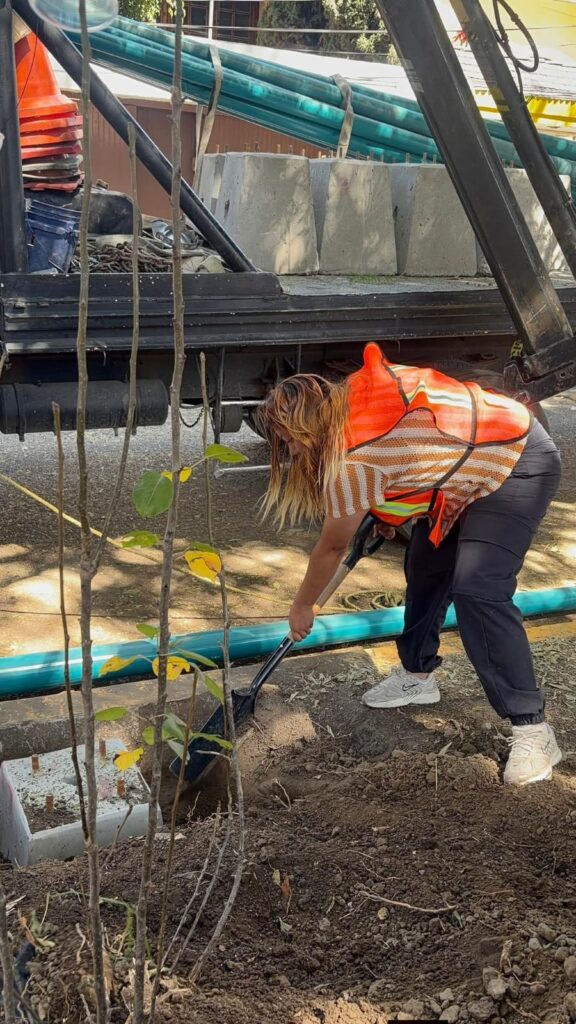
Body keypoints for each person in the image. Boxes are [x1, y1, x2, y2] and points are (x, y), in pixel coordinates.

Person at [258, 342, 562, 786]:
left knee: (478, 588)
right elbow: (415, 449)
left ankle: (532, 728)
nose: (290, 451)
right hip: (468, 470)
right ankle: (417, 675)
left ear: (304, 424)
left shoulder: (353, 456)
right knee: (425, 566)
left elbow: (331, 547)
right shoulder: (348, 404)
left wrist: (303, 605)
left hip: (516, 458)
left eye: (288, 440)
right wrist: (387, 514)